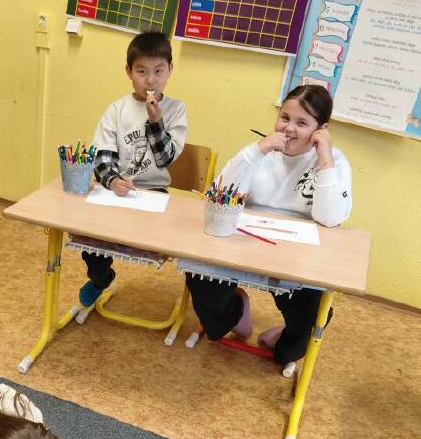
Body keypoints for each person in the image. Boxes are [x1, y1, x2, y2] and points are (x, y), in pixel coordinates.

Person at [187, 84, 352, 366]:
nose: (289, 128)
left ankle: (283, 340)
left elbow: (330, 218)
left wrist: (325, 158)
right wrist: (256, 152)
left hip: (297, 255)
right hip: (246, 243)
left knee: (311, 317)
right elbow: (220, 195)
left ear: (321, 130)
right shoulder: (260, 151)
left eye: (302, 123)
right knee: (200, 280)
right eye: (285, 118)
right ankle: (236, 312)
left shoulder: (333, 161)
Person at [79, 30, 188, 307]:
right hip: (116, 190)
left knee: (148, 236)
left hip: (154, 192)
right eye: (141, 71)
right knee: (87, 234)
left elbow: (166, 159)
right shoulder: (117, 110)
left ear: (170, 70)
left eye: (158, 71)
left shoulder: (176, 110)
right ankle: (101, 278)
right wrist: (113, 181)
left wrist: (156, 122)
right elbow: (101, 157)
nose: (150, 80)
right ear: (128, 71)